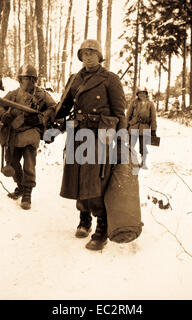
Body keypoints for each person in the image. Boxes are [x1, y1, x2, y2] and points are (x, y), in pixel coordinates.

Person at [55, 39, 127, 251]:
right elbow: (63, 106)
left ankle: (102, 228)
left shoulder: (110, 79)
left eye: (92, 53)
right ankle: (84, 219)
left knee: (96, 179)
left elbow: (119, 113)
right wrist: (51, 117)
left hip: (100, 135)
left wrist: (121, 141)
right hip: (77, 133)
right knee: (77, 176)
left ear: (99, 56)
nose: (88, 57)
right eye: (84, 53)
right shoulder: (74, 79)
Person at [0, 64, 56, 210]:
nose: (27, 82)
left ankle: (27, 192)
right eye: (24, 79)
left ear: (35, 80)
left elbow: (54, 107)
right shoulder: (13, 94)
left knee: (29, 163)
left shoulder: (42, 95)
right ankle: (20, 186)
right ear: (19, 79)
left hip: (30, 133)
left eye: (30, 79)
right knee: (12, 163)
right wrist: (4, 115)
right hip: (13, 134)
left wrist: (41, 118)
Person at [127, 88, 157, 168]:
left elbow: (153, 118)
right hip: (133, 126)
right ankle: (129, 162)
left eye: (144, 93)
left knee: (143, 147)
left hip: (144, 127)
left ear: (146, 94)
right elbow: (128, 115)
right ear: (137, 94)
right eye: (140, 93)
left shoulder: (150, 104)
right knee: (130, 146)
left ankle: (143, 162)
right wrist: (126, 126)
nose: (142, 95)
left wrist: (153, 130)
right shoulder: (133, 103)